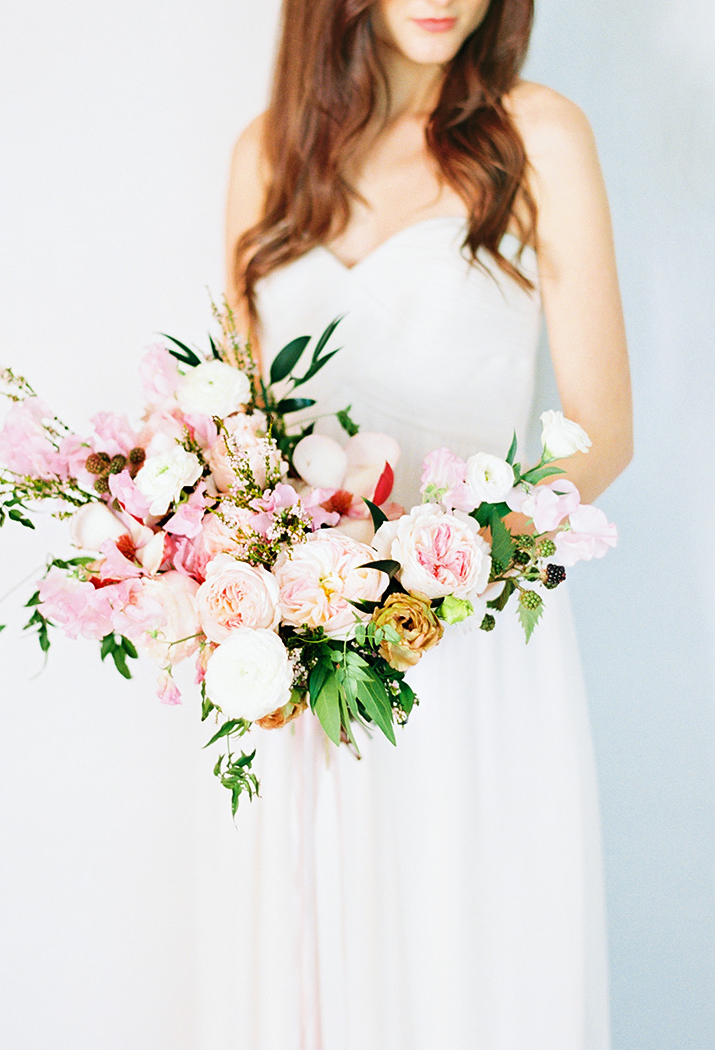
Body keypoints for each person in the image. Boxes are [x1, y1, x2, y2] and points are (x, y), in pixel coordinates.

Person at [202, 2, 633, 1048]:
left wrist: (427, 570)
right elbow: (232, 427)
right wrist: (272, 580)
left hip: (467, 645)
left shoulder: (537, 133)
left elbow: (601, 433)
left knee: (468, 965)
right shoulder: (265, 156)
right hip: (303, 663)